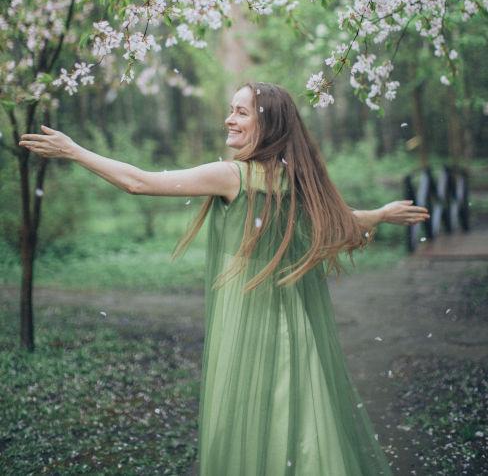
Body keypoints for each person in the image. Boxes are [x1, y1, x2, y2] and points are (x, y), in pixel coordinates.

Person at [20, 81, 429, 476]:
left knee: (248, 415)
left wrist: (74, 151)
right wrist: (379, 214)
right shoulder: (295, 181)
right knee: (298, 414)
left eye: (241, 112)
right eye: (231, 110)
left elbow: (139, 182)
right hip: (291, 323)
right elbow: (340, 221)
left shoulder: (232, 175)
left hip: (247, 319)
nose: (229, 119)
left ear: (267, 125)